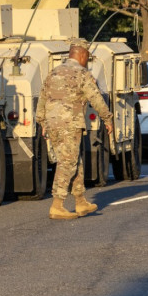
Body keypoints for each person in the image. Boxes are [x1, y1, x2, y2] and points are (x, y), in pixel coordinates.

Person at [36, 38, 114, 220]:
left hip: (53, 123)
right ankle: (57, 205)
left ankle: (80, 201)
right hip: (70, 124)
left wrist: (41, 121)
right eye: (88, 57)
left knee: (73, 160)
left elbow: (42, 97)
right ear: (82, 54)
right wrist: (107, 118)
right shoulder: (82, 74)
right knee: (67, 162)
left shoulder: (54, 72)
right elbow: (95, 98)